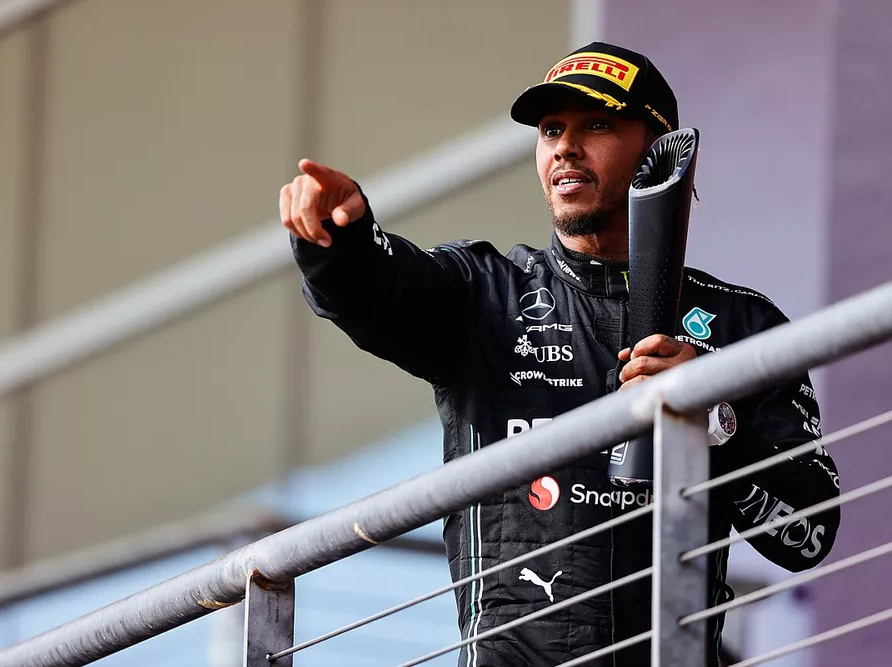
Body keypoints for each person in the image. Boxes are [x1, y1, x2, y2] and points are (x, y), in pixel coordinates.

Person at [280, 41, 841, 667]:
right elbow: (382, 294)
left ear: (659, 152)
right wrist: (343, 242)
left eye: (596, 124)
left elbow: (809, 535)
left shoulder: (744, 323)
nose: (565, 147)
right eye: (551, 130)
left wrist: (712, 421)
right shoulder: (484, 292)